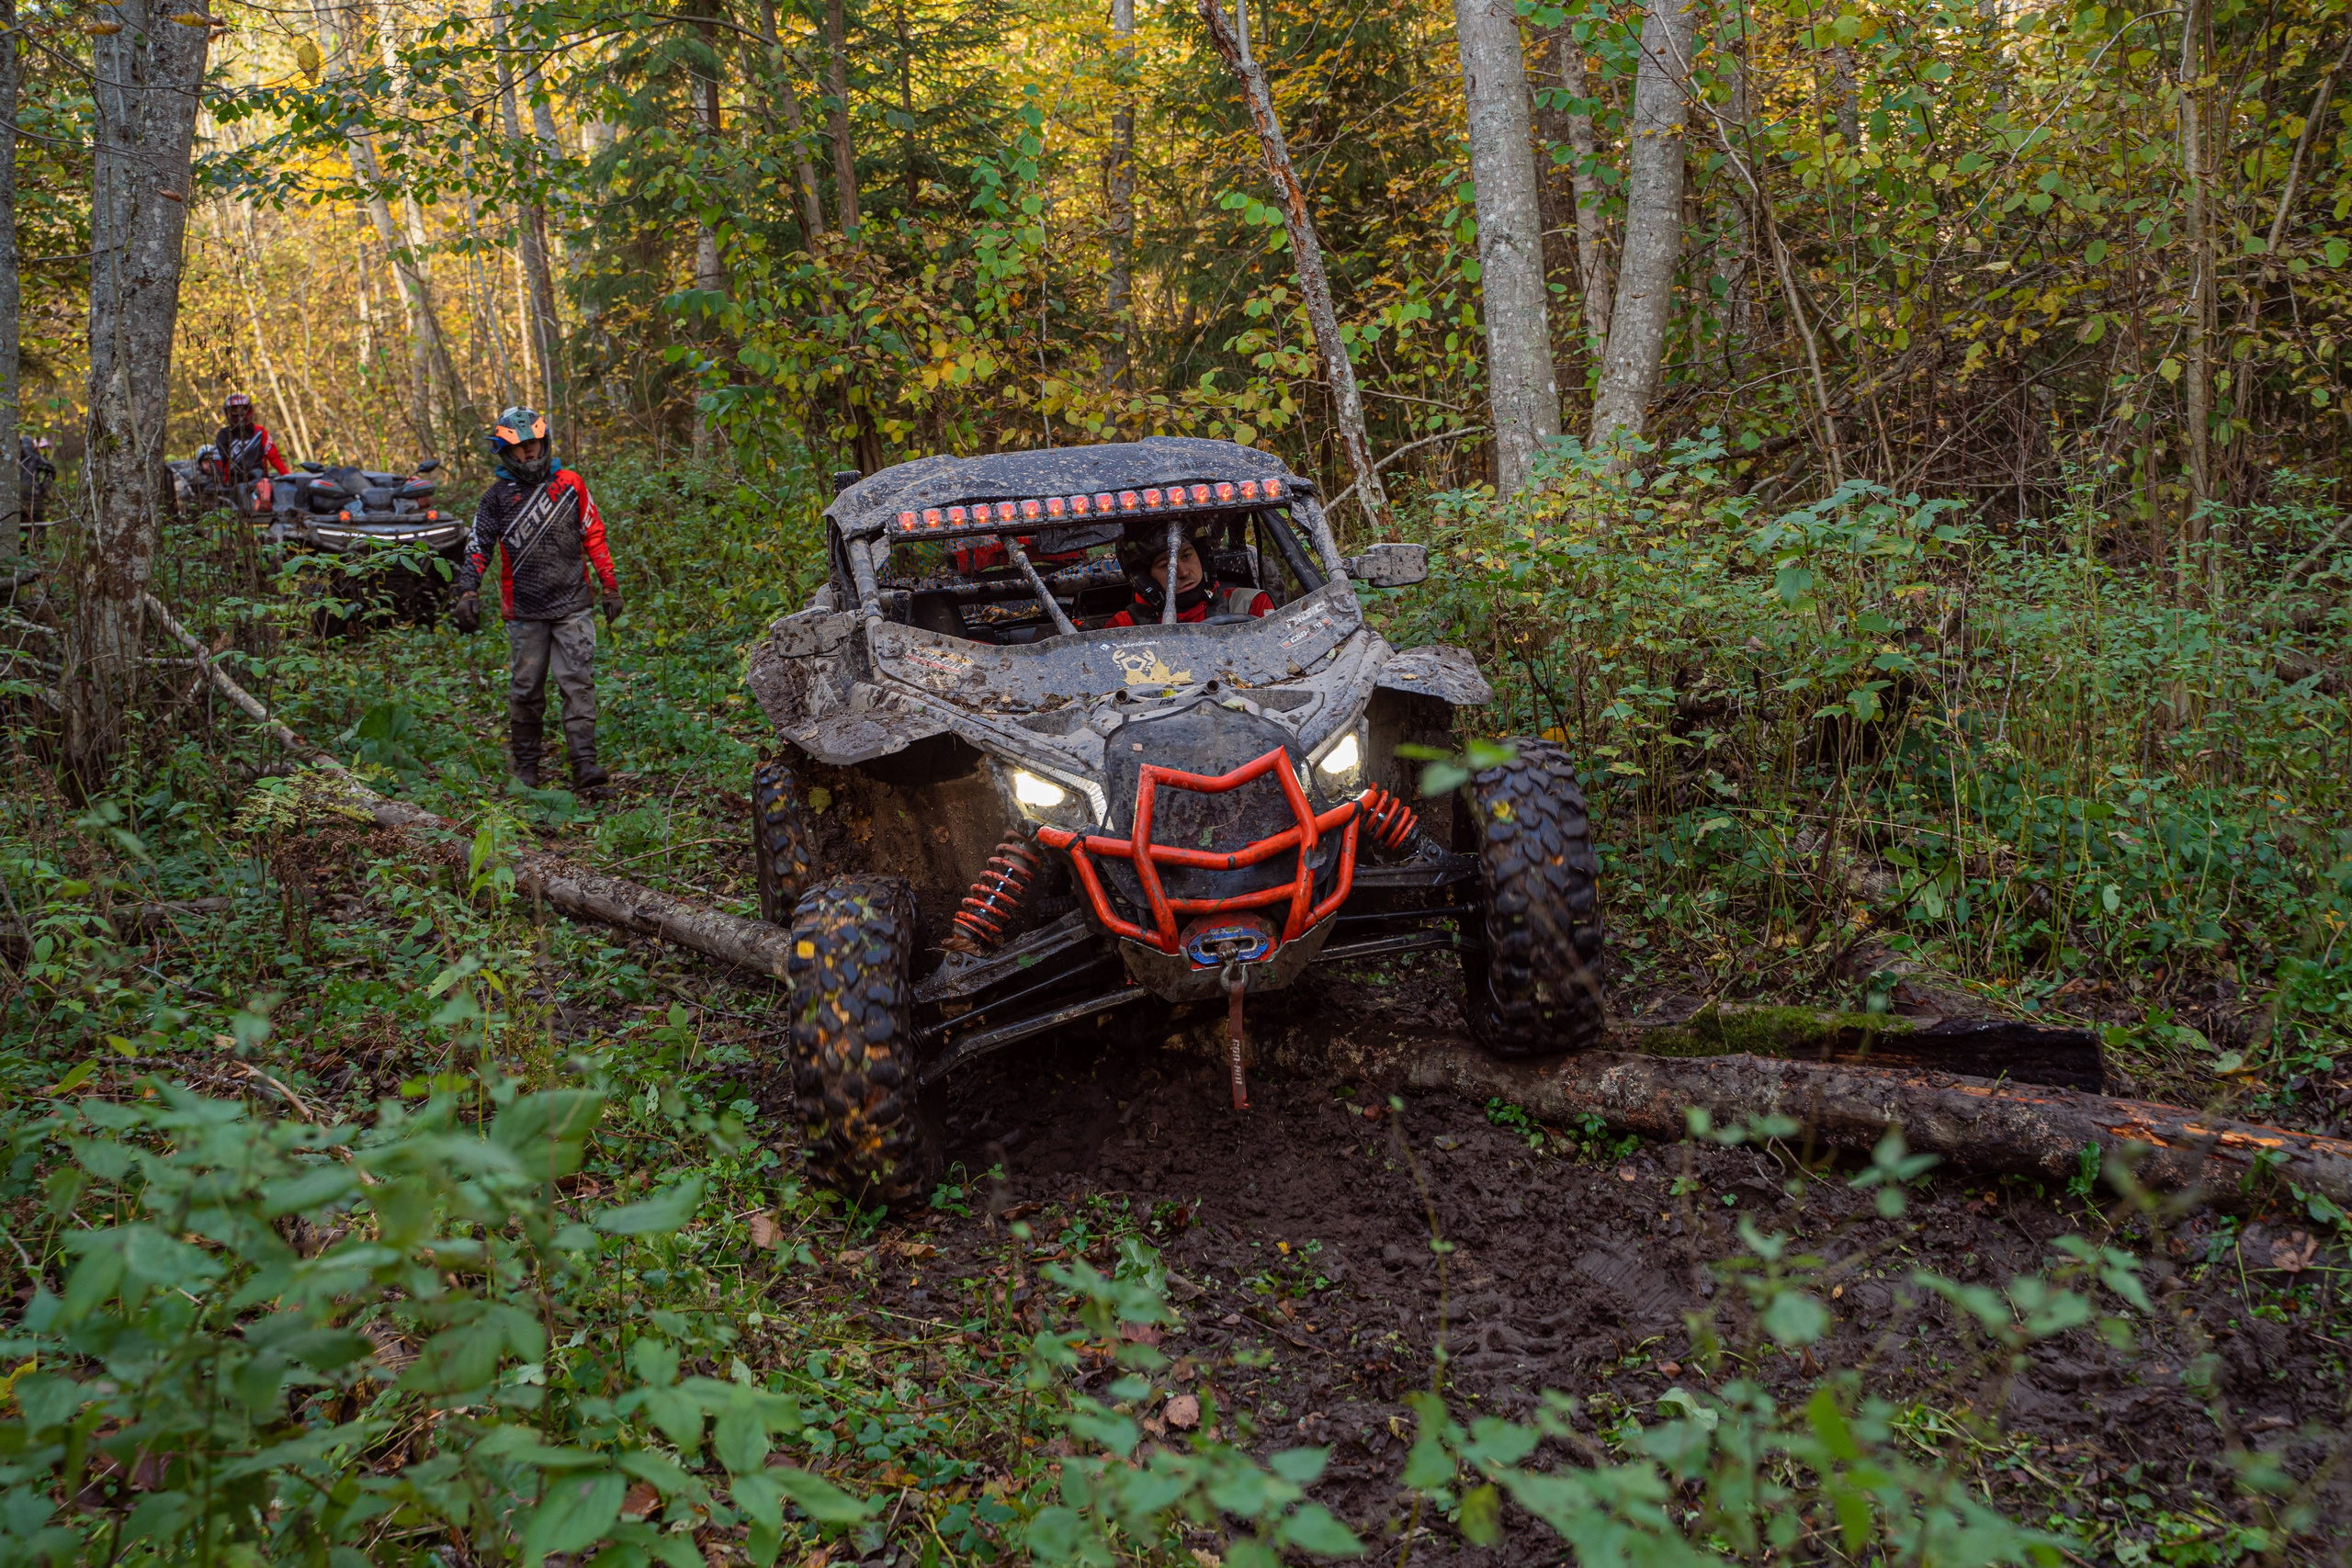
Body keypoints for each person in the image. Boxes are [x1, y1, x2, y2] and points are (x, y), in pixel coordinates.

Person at [451, 408, 625, 798]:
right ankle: (526, 765)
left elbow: (593, 534)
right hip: (524, 609)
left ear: (544, 443)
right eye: (519, 450)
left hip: (573, 603)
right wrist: (468, 591)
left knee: (578, 682)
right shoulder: (496, 498)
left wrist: (610, 586)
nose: (529, 456)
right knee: (526, 687)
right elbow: (478, 545)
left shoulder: (570, 483)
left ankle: (584, 763)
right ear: (504, 454)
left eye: (532, 447)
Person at [1105, 523, 1273, 626]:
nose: (1183, 572)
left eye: (1187, 556)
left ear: (1202, 557)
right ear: (1145, 580)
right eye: (1166, 565)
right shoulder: (1126, 626)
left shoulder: (1250, 604)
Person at [213, 393, 289, 482]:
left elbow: (275, 459)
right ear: (228, 413)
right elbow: (218, 463)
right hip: (234, 486)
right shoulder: (223, 435)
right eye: (235, 411)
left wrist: (288, 476)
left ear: (249, 410)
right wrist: (222, 485)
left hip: (261, 482)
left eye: (243, 410)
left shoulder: (260, 433)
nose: (240, 415)